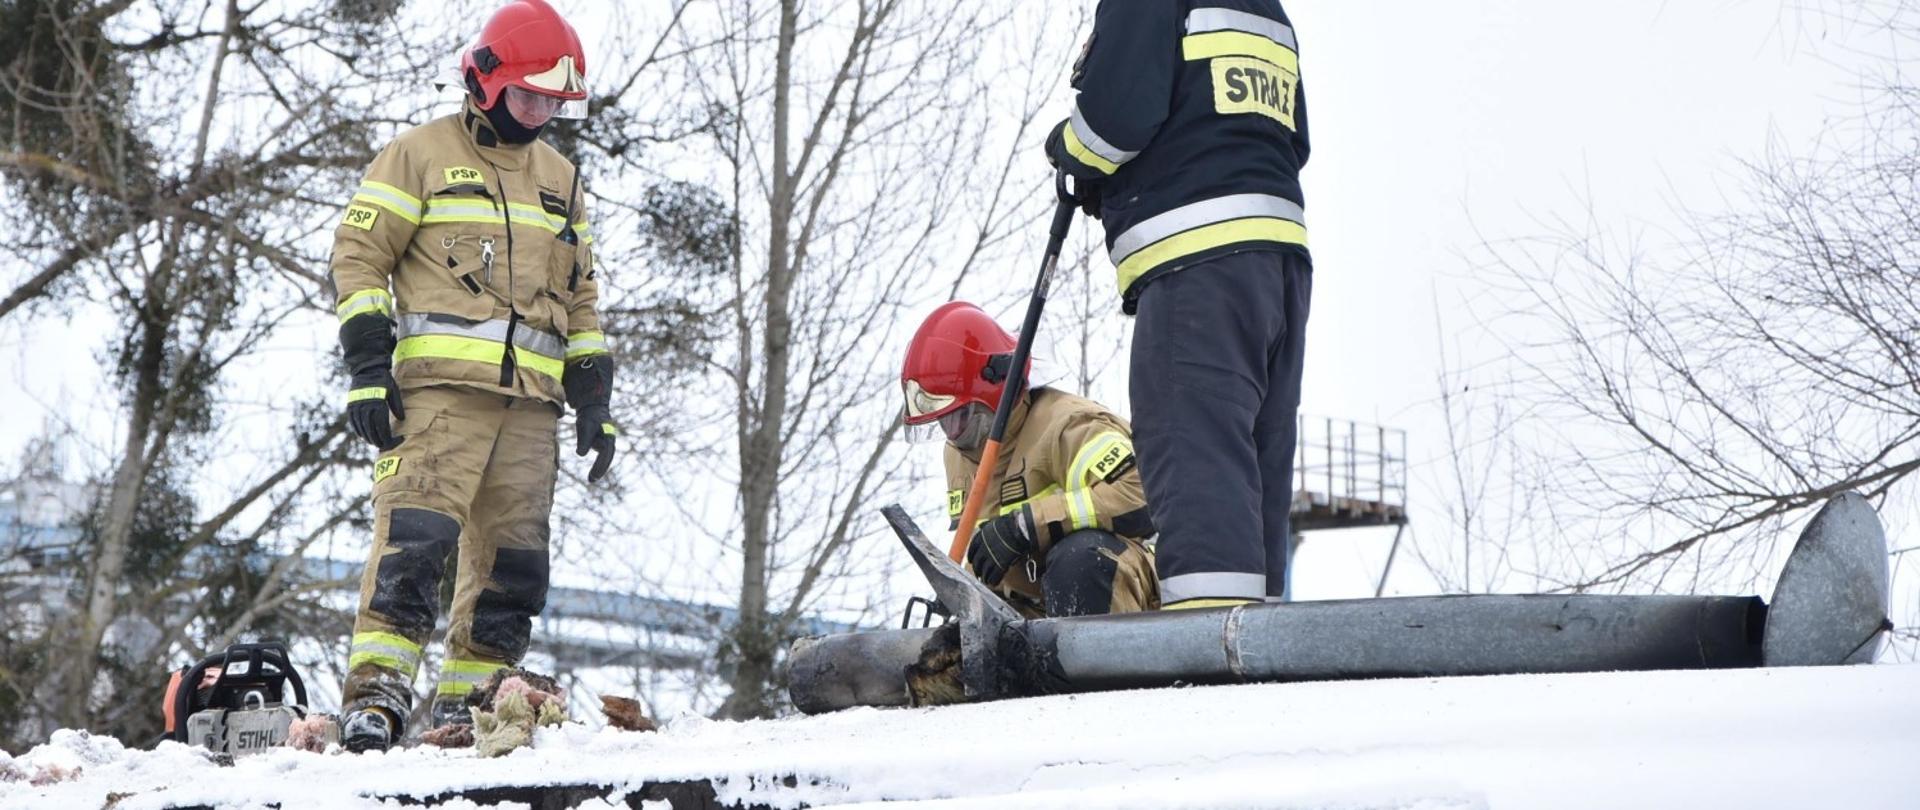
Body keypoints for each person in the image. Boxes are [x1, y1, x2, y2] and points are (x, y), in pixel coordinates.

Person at [326, 0, 616, 751]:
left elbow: (582, 296)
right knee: (414, 547)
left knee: (514, 569)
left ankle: (470, 710)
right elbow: (359, 259)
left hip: (531, 411)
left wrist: (594, 400)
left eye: (553, 102)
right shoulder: (419, 155)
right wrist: (366, 368)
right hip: (439, 402)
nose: (540, 113)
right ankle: (377, 700)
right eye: (528, 96)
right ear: (486, 81)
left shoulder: (562, 179)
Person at [1044, 1, 1312, 608]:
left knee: (1195, 455)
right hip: (1279, 261)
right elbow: (1288, 139)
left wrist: (1068, 151)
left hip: (1198, 260)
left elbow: (1112, 122)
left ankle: (1206, 650)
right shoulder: (1265, 7)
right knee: (1253, 462)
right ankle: (1260, 636)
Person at [900, 301, 1159, 618]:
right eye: (942, 422)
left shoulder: (1068, 426)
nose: (951, 433)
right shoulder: (959, 455)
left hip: (1124, 585)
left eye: (959, 416)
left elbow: (1144, 494)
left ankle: (1097, 663)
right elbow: (987, 548)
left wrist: (1025, 526)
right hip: (1035, 607)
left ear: (994, 393)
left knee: (1080, 560)